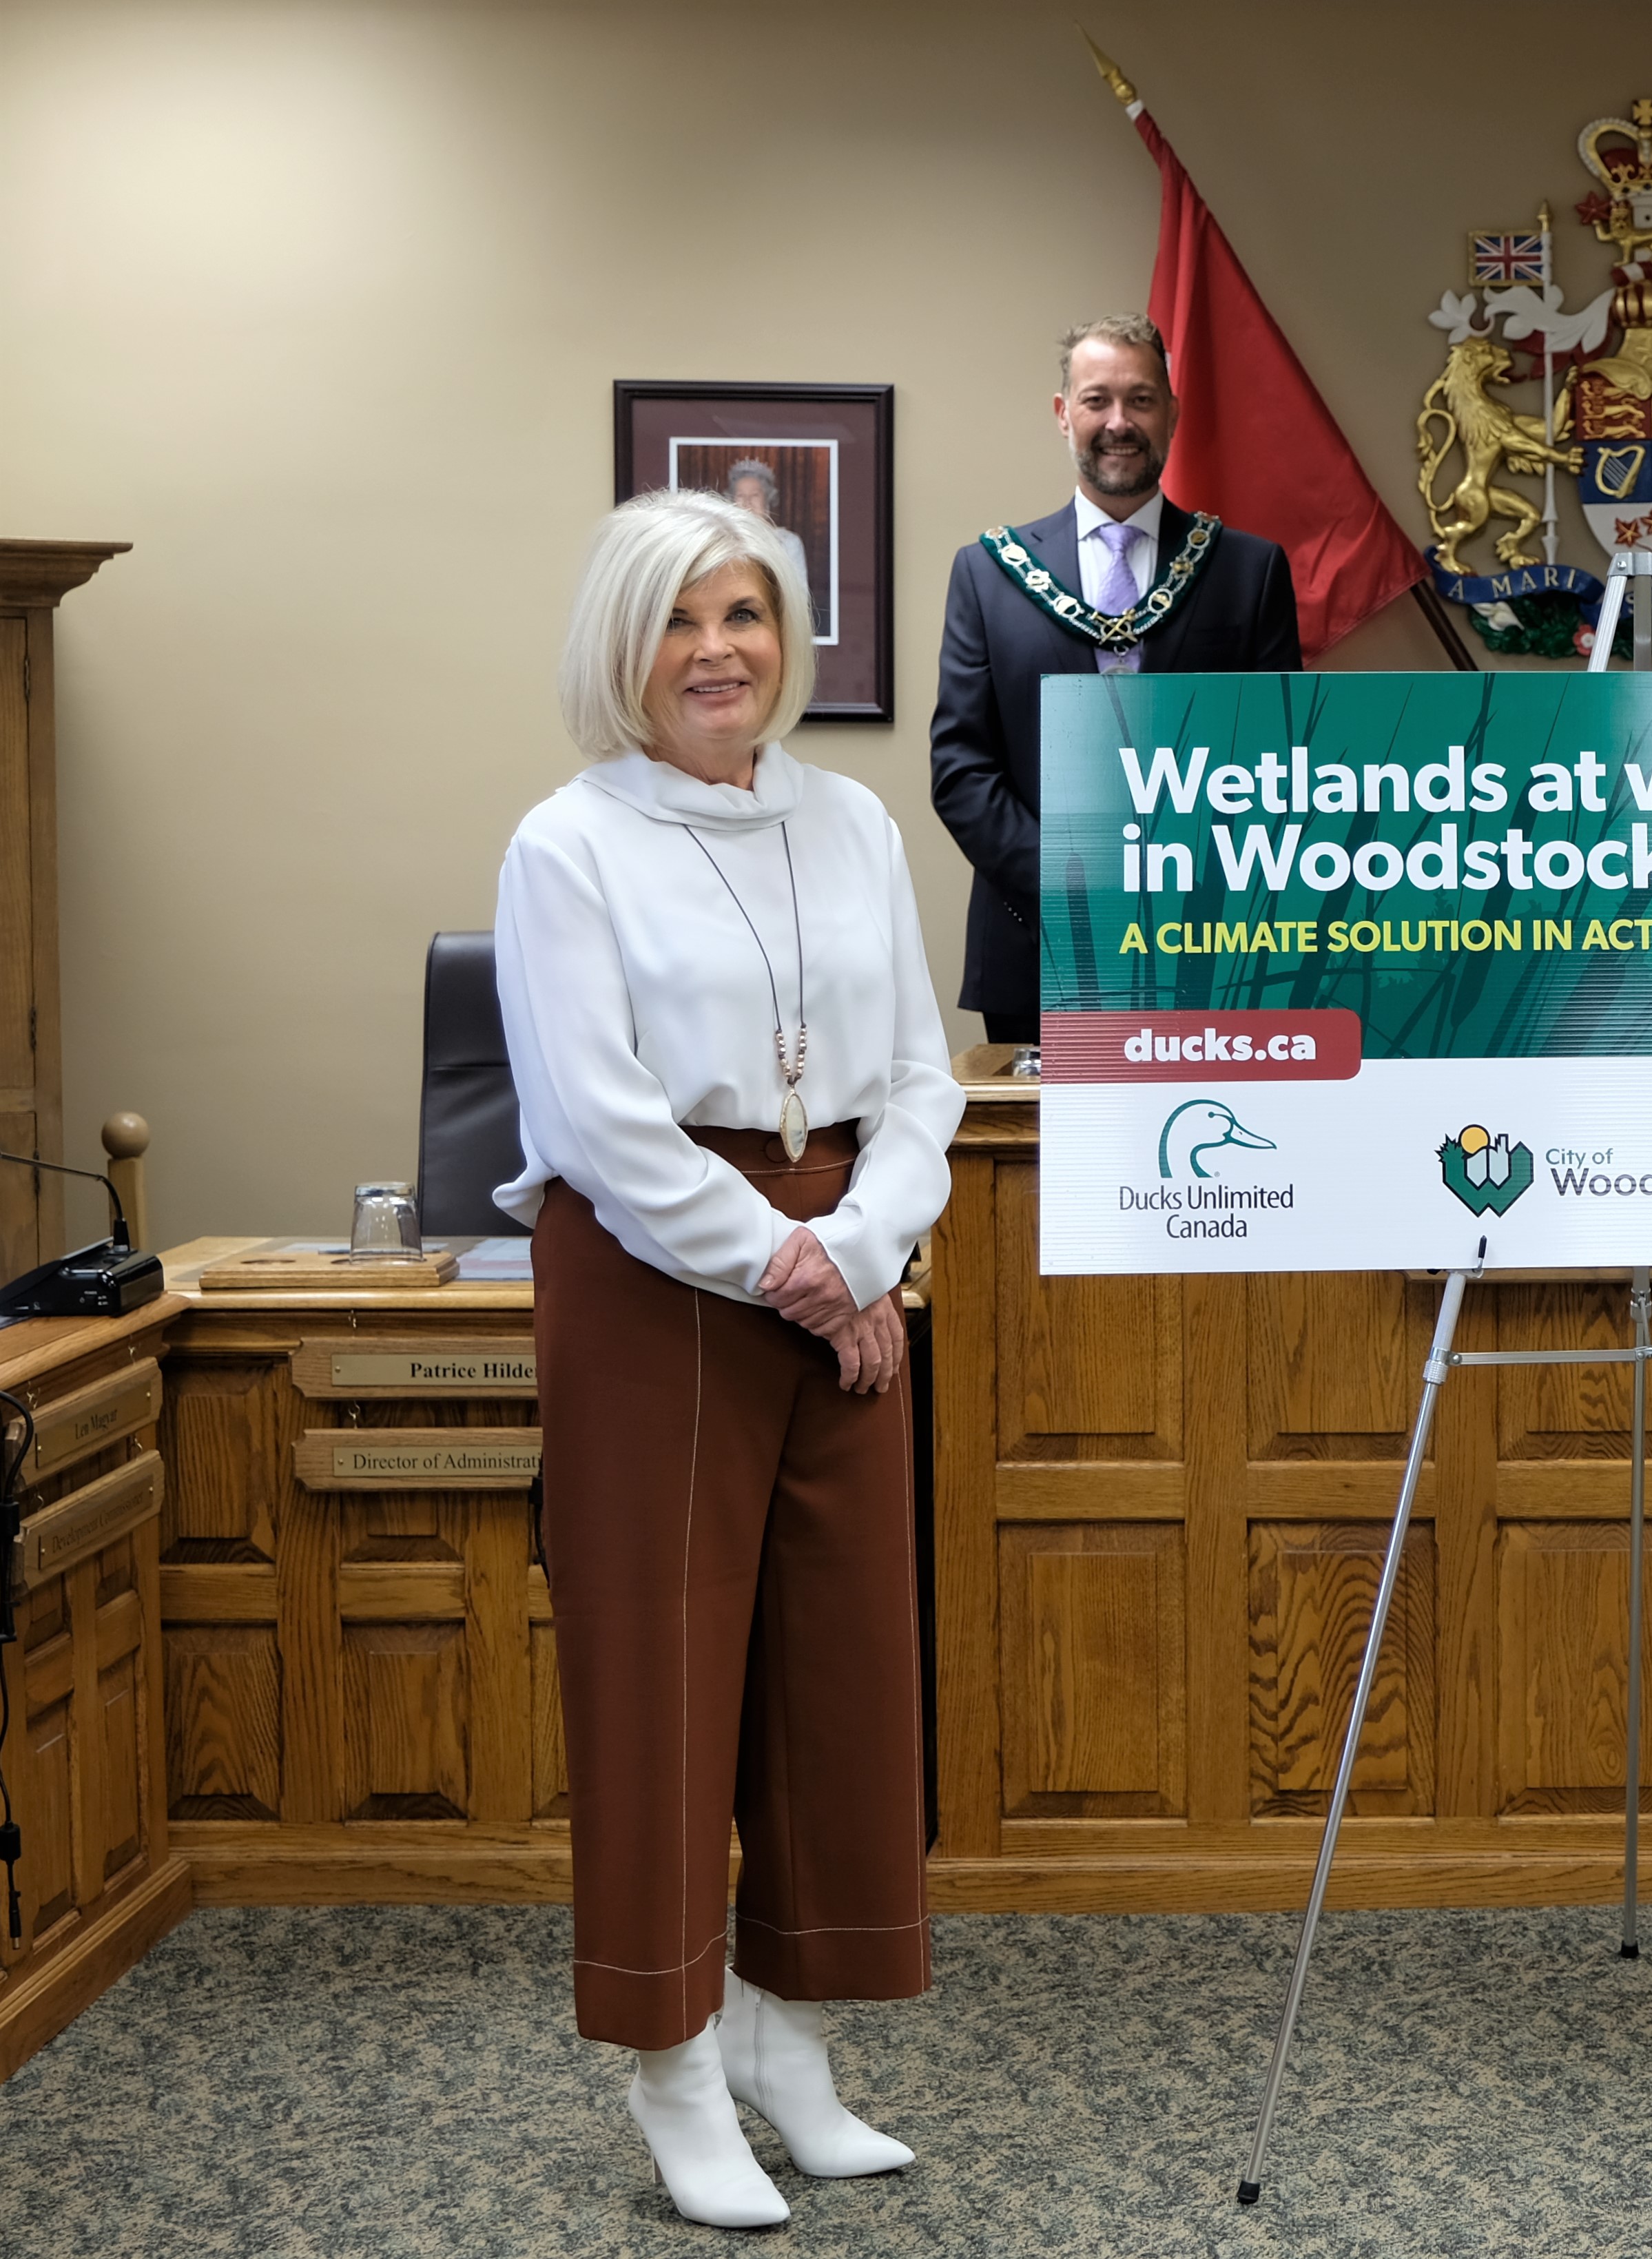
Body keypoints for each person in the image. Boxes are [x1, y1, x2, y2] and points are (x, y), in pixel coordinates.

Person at [496, 487, 964, 2229]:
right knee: (664, 1681)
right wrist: (794, 1263)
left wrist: (862, 1247)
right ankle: (672, 2063)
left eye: (746, 617)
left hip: (842, 1252)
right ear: (625, 647)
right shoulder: (567, 843)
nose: (717, 652)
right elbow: (598, 1125)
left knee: (839, 1670)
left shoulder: (849, 823)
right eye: (681, 622)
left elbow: (920, 1072)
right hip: (656, 1278)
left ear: (789, 640)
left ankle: (786, 2038)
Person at [929, 311, 1302, 1041]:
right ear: (1063, 415)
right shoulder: (987, 573)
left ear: (1172, 413)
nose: (1118, 422)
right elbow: (962, 769)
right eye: (1097, 400)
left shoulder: (1248, 571)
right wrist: (1080, 887)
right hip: (1035, 945)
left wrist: (1177, 884)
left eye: (1140, 399)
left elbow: (1277, 759)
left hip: (1208, 944)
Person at [721, 457, 821, 640]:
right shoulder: (720, 542)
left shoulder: (788, 542)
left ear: (768, 500)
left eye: (755, 496)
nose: (747, 503)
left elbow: (799, 597)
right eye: (741, 496)